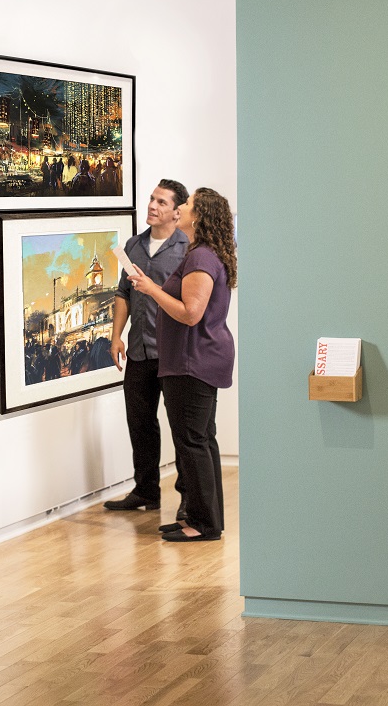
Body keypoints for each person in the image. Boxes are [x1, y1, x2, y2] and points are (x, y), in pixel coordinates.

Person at [128, 187, 236, 542]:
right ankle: (207, 519)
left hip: (192, 361)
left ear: (198, 216)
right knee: (202, 439)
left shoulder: (200, 257)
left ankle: (202, 524)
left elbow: (191, 314)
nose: (181, 209)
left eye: (187, 205)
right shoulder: (202, 253)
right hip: (197, 358)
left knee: (192, 442)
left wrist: (151, 289)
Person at [103, 179, 190, 514]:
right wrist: (116, 336)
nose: (152, 206)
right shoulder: (133, 245)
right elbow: (123, 293)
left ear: (177, 212)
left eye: (162, 202)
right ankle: (146, 491)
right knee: (140, 424)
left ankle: (188, 500)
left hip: (174, 353)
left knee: (182, 430)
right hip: (139, 352)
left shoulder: (187, 248)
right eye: (152, 199)